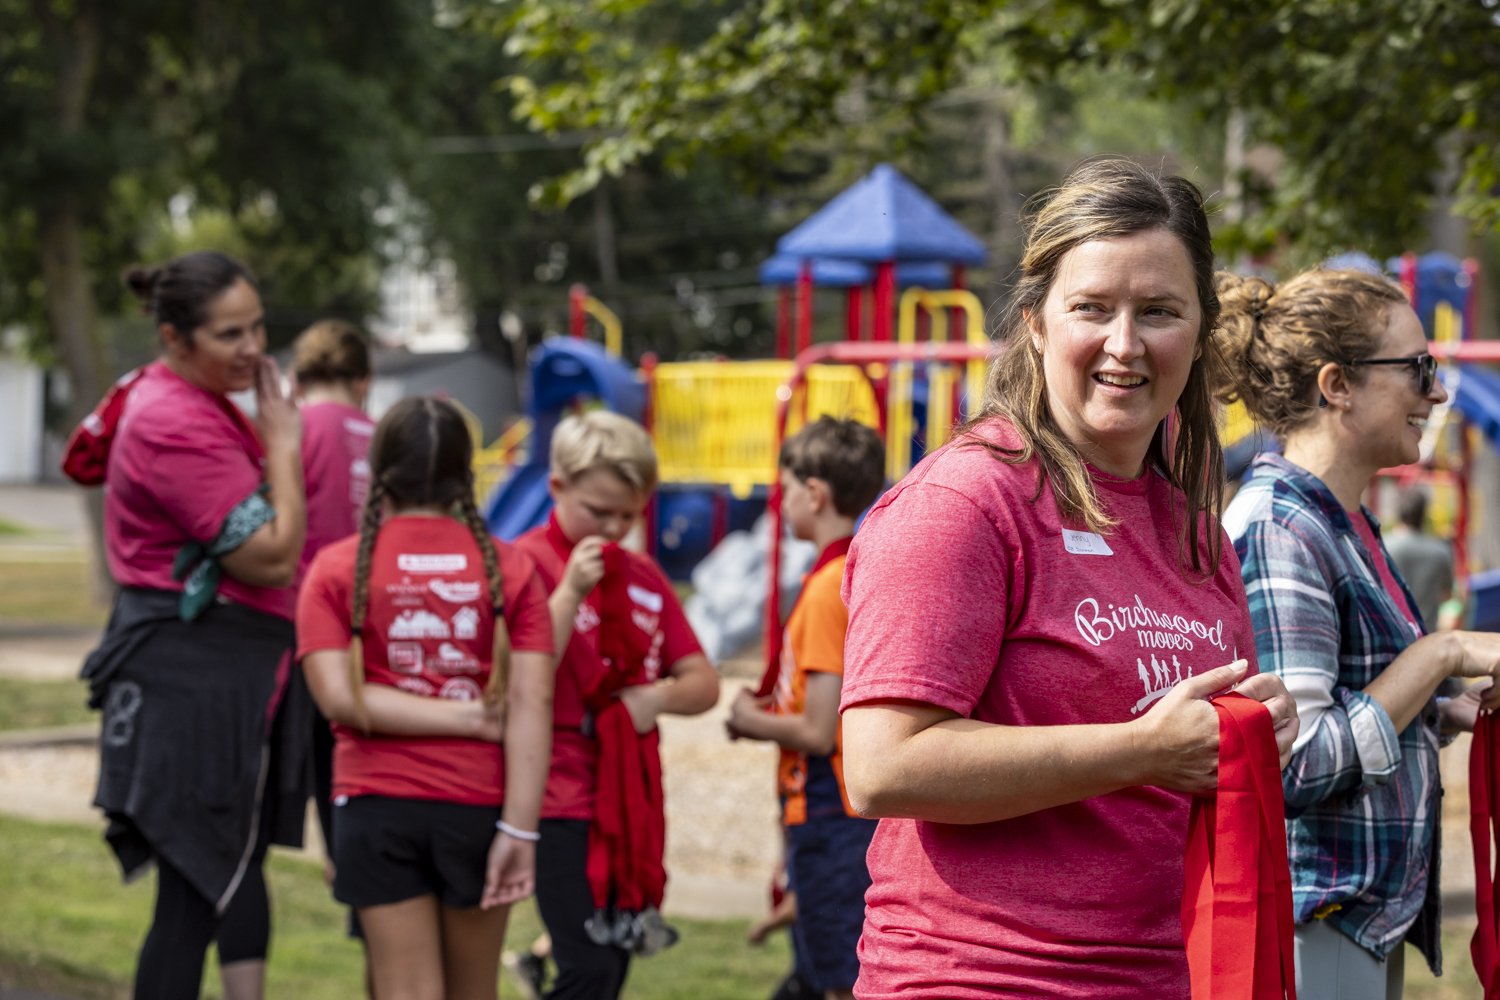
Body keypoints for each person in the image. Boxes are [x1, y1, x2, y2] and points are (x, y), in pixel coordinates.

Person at [835, 158, 1300, 999]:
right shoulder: (965, 503)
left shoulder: (1194, 528)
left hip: (1164, 976)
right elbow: (881, 767)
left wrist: (1244, 736)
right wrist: (1142, 751)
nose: (1125, 345)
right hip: (980, 979)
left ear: (1199, 333)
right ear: (1038, 323)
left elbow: (1177, 766)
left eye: (1159, 311)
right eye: (1093, 308)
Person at [1215, 268, 1500, 999]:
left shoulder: (1340, 521)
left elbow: (1349, 693)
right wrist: (1444, 653)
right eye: (1417, 369)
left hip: (1352, 921)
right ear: (1337, 384)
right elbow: (1292, 765)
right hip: (1313, 924)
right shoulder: (1281, 529)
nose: (1435, 393)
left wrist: (1445, 709)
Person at [76, 251, 312, 1000]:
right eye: (229, 334)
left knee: (216, 880)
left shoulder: (191, 397)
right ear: (175, 339)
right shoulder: (173, 422)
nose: (252, 348)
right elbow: (270, 559)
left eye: (257, 326)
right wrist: (283, 446)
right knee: (190, 896)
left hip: (221, 673)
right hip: (191, 680)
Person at [296, 395, 556, 1000]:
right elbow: (533, 707)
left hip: (375, 806)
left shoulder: (336, 568)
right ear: (466, 475)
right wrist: (520, 830)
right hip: (480, 808)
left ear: (380, 471)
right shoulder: (512, 569)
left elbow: (338, 699)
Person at [513, 410, 720, 1000]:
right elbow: (520, 676)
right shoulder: (525, 563)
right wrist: (570, 592)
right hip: (555, 797)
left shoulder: (644, 575)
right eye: (597, 512)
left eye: (627, 516)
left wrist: (656, 698)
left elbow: (701, 679)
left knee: (613, 965)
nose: (611, 528)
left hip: (627, 801)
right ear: (556, 488)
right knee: (588, 967)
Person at [727, 416, 885, 1000]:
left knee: (840, 983)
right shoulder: (852, 572)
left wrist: (748, 721)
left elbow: (819, 729)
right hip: (836, 812)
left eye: (785, 487)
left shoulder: (826, 589)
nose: (781, 500)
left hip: (829, 806)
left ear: (814, 494)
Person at [1385, 486, 1457, 632]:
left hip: (1391, 633)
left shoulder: (1382, 546)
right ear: (1424, 514)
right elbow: (1447, 595)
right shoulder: (1440, 551)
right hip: (1426, 634)